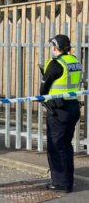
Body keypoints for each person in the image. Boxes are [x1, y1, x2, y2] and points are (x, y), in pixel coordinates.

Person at [40, 34, 82, 193]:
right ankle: (68, 181)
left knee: (56, 147)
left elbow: (43, 89)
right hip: (73, 107)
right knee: (66, 146)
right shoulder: (74, 61)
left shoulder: (55, 63)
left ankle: (60, 183)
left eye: (52, 46)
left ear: (56, 47)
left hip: (59, 110)